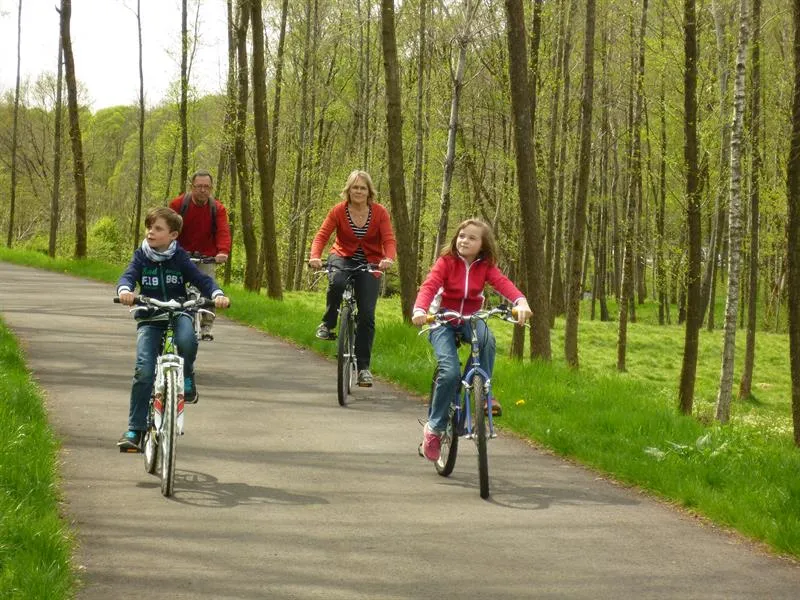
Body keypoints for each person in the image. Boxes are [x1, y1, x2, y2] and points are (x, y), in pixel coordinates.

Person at [411, 218, 532, 462]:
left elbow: (503, 284)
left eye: (472, 238)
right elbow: (429, 286)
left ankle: (482, 393)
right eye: (462, 236)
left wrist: (520, 301)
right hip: (442, 318)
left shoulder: (485, 266)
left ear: (483, 245)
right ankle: (434, 429)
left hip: (471, 318)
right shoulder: (445, 263)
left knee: (487, 340)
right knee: (450, 371)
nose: (464, 240)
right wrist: (419, 310)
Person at [116, 206, 230, 452]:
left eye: (158, 229)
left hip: (179, 309)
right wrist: (125, 291)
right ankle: (135, 429)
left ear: (173, 235)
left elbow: (203, 280)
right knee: (144, 370)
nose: (150, 233)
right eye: (149, 227)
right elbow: (128, 276)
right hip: (150, 314)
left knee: (187, 339)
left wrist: (217, 294)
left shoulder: (180, 258)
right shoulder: (141, 256)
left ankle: (187, 375)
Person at [308, 170, 396, 387]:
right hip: (342, 258)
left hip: (370, 262)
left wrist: (388, 258)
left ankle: (364, 368)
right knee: (336, 282)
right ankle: (328, 324)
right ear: (348, 190)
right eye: (355, 187)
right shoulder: (338, 211)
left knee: (367, 315)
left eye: (362, 188)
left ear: (369, 191)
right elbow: (322, 235)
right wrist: (315, 256)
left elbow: (389, 239)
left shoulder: (380, 212)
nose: (358, 191)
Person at [168, 169, 231, 341]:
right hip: (180, 254)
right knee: (174, 285)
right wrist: (169, 249)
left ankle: (206, 327)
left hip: (206, 255)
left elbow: (223, 231)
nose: (203, 190)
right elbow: (168, 229)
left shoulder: (217, 208)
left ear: (211, 188)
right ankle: (172, 320)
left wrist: (223, 251)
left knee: (208, 289)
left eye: (206, 187)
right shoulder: (178, 205)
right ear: (191, 187)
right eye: (199, 186)